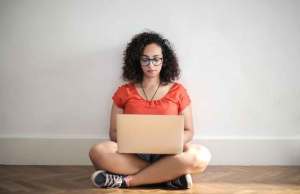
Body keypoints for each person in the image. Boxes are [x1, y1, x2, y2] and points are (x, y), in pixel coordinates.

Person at [89, 31, 212, 189]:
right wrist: (136, 141)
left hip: (169, 154)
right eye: (145, 59)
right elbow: (113, 133)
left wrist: (169, 143)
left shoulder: (178, 91)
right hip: (133, 155)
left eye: (156, 59)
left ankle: (126, 181)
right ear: (137, 61)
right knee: (98, 151)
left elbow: (189, 131)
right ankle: (169, 176)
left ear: (164, 60)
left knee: (201, 155)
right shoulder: (124, 92)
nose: (151, 65)